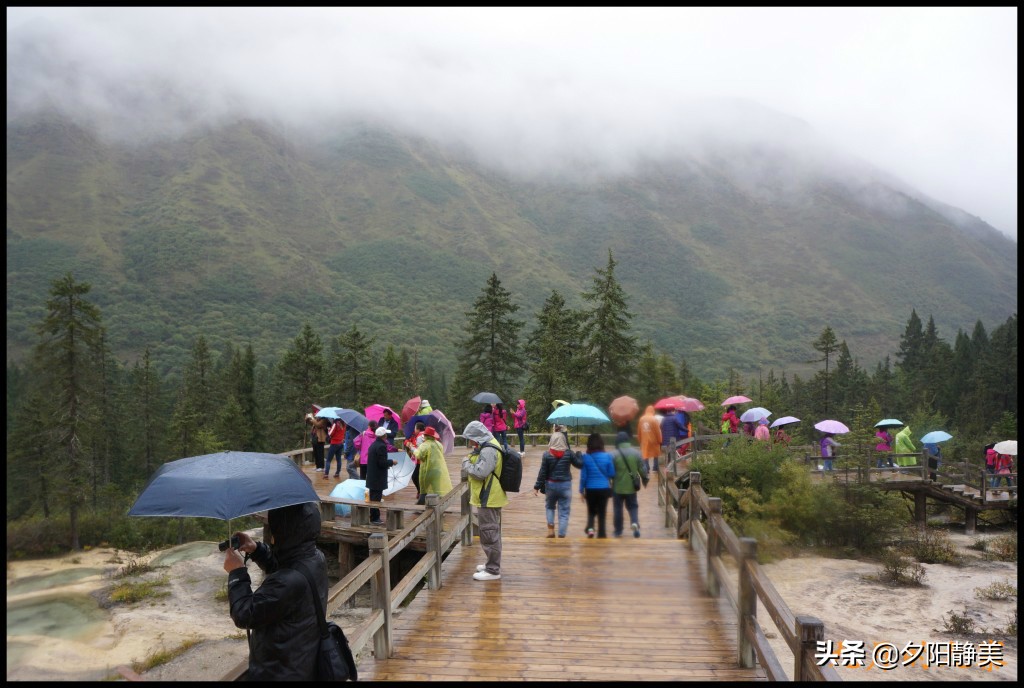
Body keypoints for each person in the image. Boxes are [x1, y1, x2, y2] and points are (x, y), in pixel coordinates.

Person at [223, 501, 325, 680]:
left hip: (281, 672)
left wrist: (236, 572)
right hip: (303, 661)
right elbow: (288, 568)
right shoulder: (315, 558)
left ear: (282, 532)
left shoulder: (287, 582)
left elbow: (244, 614)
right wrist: (257, 550)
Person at [461, 420, 507, 581]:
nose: (470, 442)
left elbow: (480, 473)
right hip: (492, 495)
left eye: (471, 438)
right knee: (491, 531)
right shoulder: (491, 443)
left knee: (489, 532)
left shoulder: (488, 450)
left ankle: (493, 570)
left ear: (477, 436)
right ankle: (491, 563)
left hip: (489, 496)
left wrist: (466, 463)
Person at [533, 426, 582, 538]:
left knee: (550, 507)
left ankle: (550, 530)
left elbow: (543, 472)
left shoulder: (547, 455)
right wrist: (579, 455)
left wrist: (537, 486)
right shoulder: (569, 453)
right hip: (565, 485)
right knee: (564, 511)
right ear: (564, 441)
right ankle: (561, 534)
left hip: (551, 485)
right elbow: (580, 464)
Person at [579, 432, 616, 539]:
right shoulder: (608, 456)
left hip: (590, 489)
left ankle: (590, 530)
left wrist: (581, 491)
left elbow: (583, 477)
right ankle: (602, 534)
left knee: (591, 511)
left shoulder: (586, 457)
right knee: (602, 513)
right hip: (604, 488)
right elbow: (612, 474)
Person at [611, 431, 648, 538]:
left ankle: (618, 531)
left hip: (617, 487)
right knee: (633, 506)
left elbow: (610, 471)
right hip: (631, 486)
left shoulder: (613, 454)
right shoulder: (636, 453)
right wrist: (645, 479)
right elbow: (642, 469)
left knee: (618, 508)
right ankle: (634, 522)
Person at [413, 426, 452, 505]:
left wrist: (414, 450)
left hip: (428, 469)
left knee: (425, 486)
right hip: (438, 469)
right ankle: (440, 503)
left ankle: (423, 502)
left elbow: (419, 455)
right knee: (436, 487)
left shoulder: (425, 445)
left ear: (426, 435)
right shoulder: (438, 444)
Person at [366, 425, 396, 525]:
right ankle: (375, 518)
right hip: (377, 477)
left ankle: (374, 516)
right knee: (376, 498)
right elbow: (382, 463)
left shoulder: (373, 445)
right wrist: (392, 461)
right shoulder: (382, 446)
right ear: (384, 436)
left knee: (373, 497)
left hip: (371, 476)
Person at [636, 404, 663, 473]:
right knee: (656, 454)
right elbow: (658, 431)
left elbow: (639, 430)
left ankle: (646, 468)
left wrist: (639, 439)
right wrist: (660, 440)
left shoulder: (641, 419)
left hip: (645, 440)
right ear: (652, 411)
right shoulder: (654, 419)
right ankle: (655, 467)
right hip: (654, 440)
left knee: (645, 454)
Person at [404, 420, 427, 500]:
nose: (414, 430)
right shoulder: (421, 435)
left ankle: (422, 492)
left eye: (415, 428)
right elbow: (407, 441)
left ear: (418, 429)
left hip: (420, 460)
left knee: (415, 477)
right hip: (420, 460)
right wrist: (408, 443)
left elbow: (420, 449)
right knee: (418, 477)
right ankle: (421, 492)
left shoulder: (420, 437)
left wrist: (411, 447)